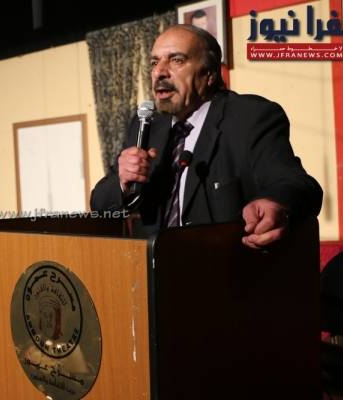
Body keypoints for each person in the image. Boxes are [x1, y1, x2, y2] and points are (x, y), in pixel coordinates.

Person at [90, 24, 322, 249]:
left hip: (223, 267)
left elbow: (296, 183)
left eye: (176, 60)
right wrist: (122, 181)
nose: (159, 72)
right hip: (151, 268)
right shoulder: (145, 127)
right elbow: (100, 203)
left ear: (209, 74)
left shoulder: (249, 117)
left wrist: (276, 201)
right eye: (154, 62)